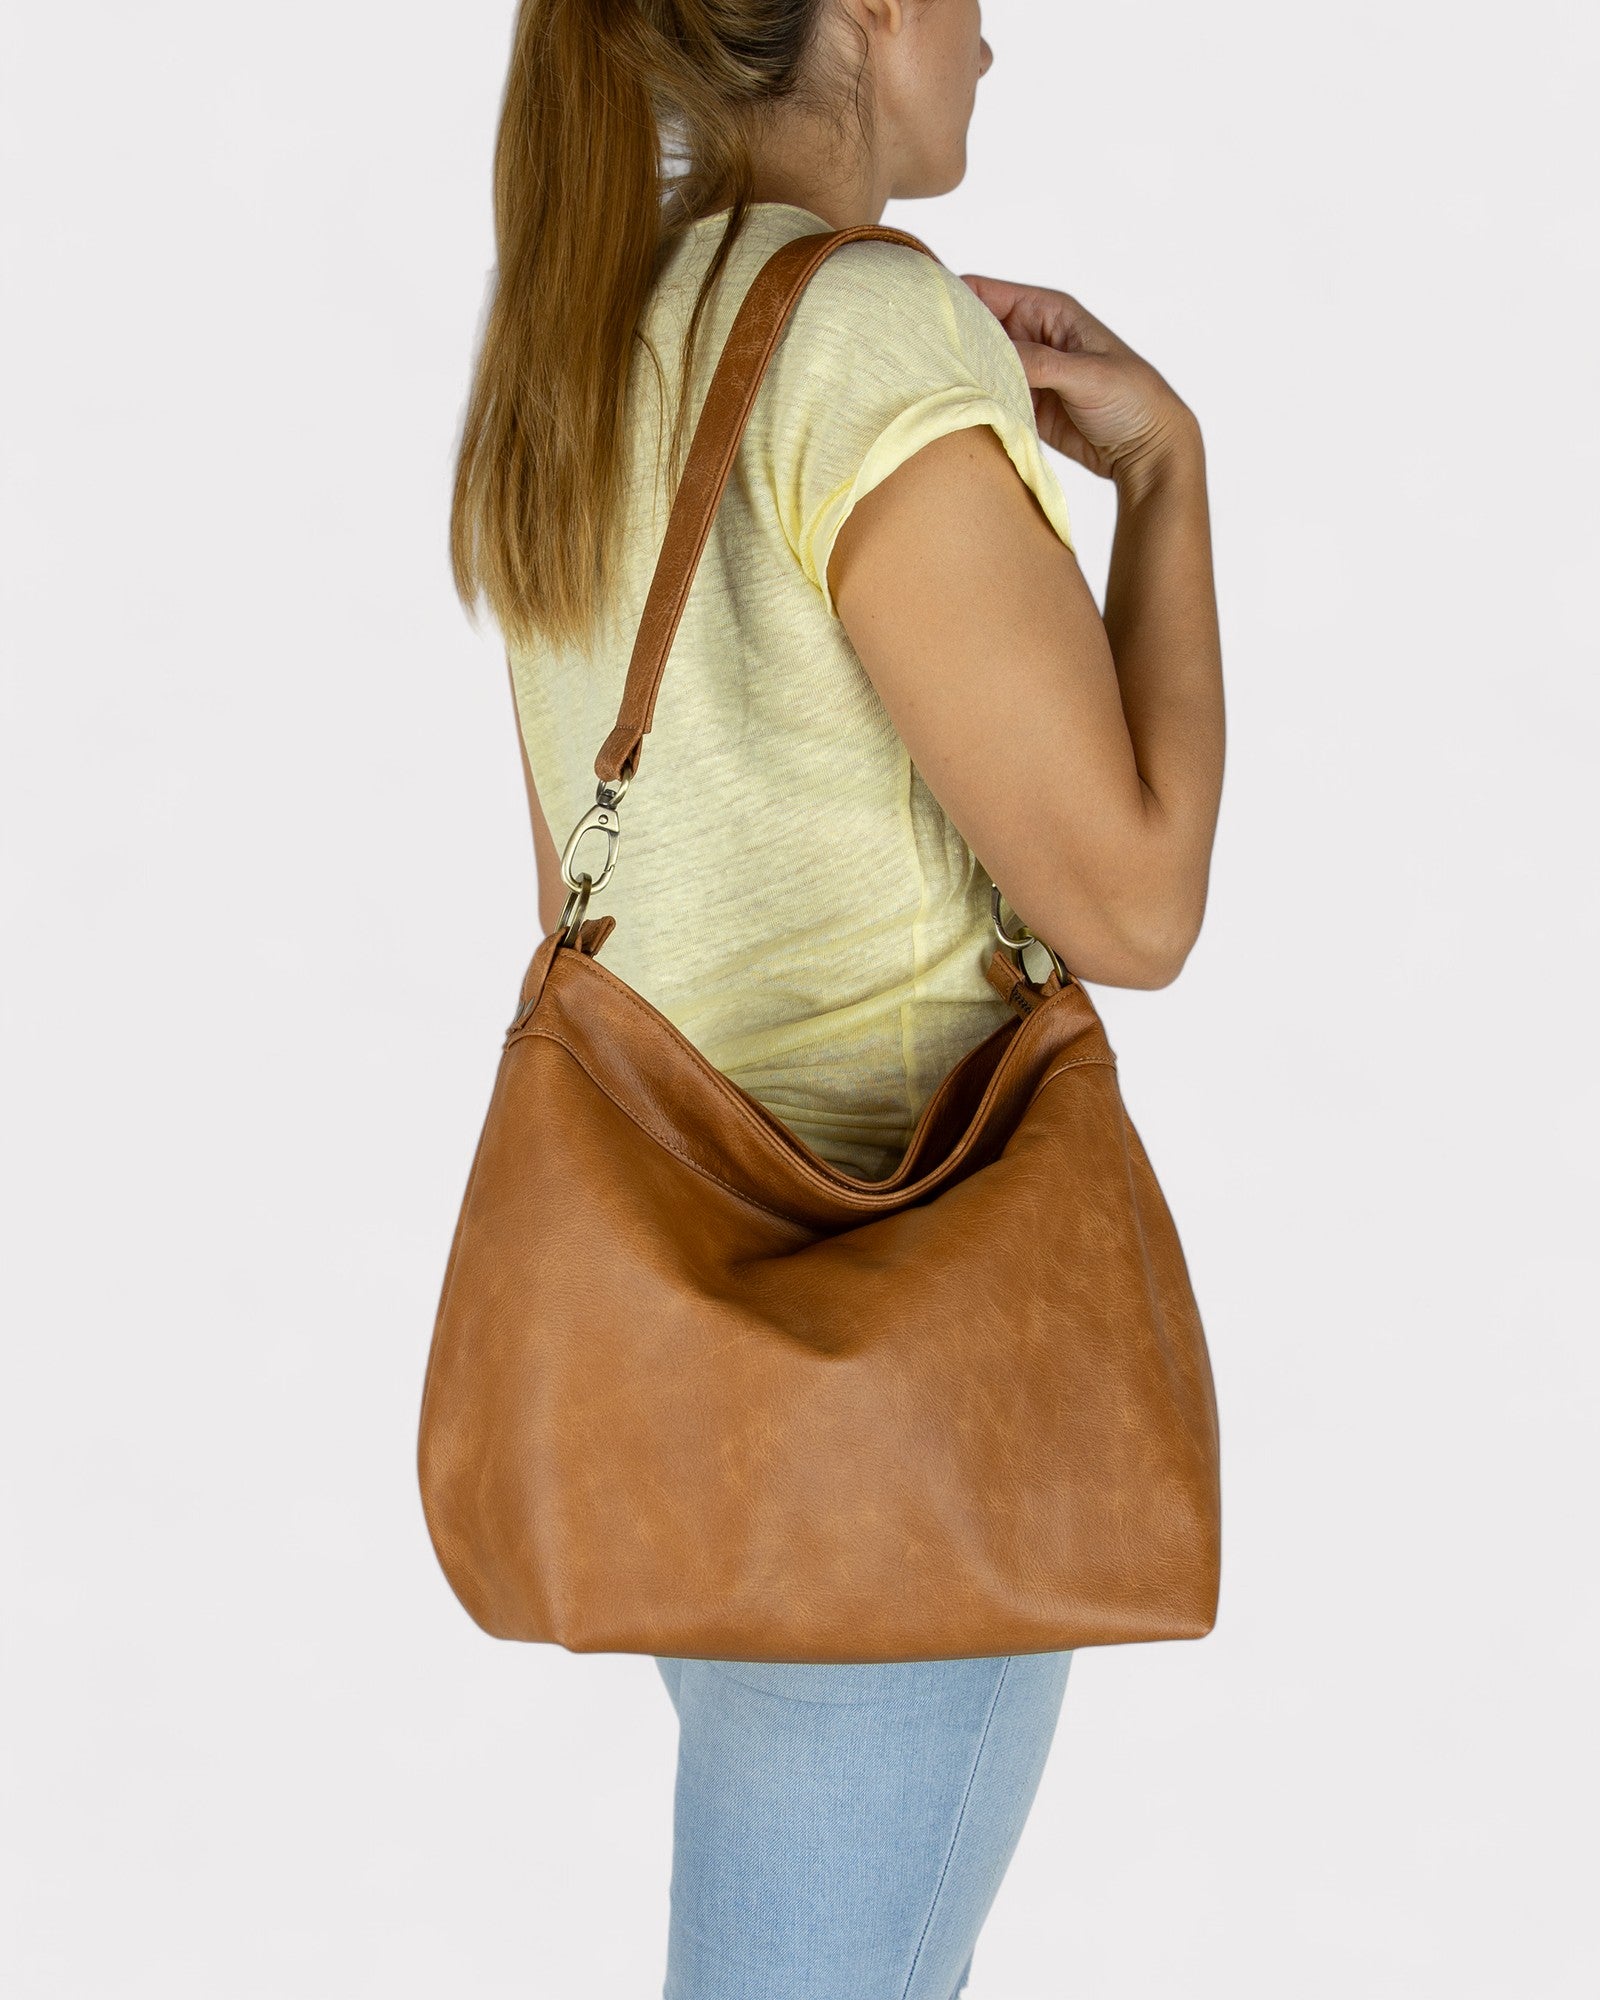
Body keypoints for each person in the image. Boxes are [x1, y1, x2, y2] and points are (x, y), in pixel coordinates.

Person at [448, 2, 1223, 1993]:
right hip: (907, 1383)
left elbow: (588, 912)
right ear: (866, 12)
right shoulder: (861, 327)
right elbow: (1129, 900)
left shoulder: (585, 340)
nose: (995, 36)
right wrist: (1170, 481)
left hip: (689, 1374)